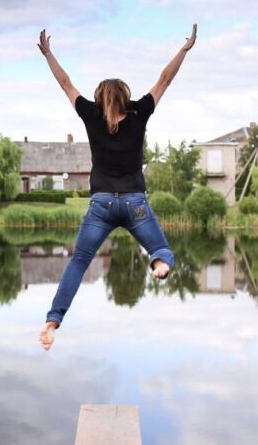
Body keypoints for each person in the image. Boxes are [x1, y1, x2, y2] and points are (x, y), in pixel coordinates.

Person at [37, 24, 198, 351]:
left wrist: (48, 54)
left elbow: (65, 83)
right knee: (163, 251)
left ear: (99, 100)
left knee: (79, 262)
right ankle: (159, 265)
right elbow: (164, 80)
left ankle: (52, 321)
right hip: (135, 204)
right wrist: (183, 50)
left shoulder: (91, 116)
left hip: (101, 206)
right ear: (125, 98)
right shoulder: (139, 113)